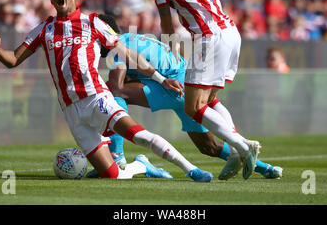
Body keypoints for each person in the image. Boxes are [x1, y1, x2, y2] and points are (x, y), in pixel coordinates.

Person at [0, 0, 213, 182]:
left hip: (97, 97)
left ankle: (191, 170)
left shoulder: (92, 23)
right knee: (112, 175)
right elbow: (13, 59)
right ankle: (141, 165)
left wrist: (161, 80)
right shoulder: (44, 29)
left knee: (139, 135)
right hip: (71, 110)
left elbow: (128, 54)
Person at [139, 0, 306, 180]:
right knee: (211, 101)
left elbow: (165, 23)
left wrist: (171, 54)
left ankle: (242, 146)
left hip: (209, 38)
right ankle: (239, 152)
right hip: (230, 32)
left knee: (193, 107)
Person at [86, 15, 283, 179]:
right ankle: (266, 168)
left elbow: (115, 86)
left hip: (173, 86)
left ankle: (117, 155)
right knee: (209, 147)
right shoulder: (133, 38)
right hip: (185, 81)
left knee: (112, 94)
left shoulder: (118, 48)